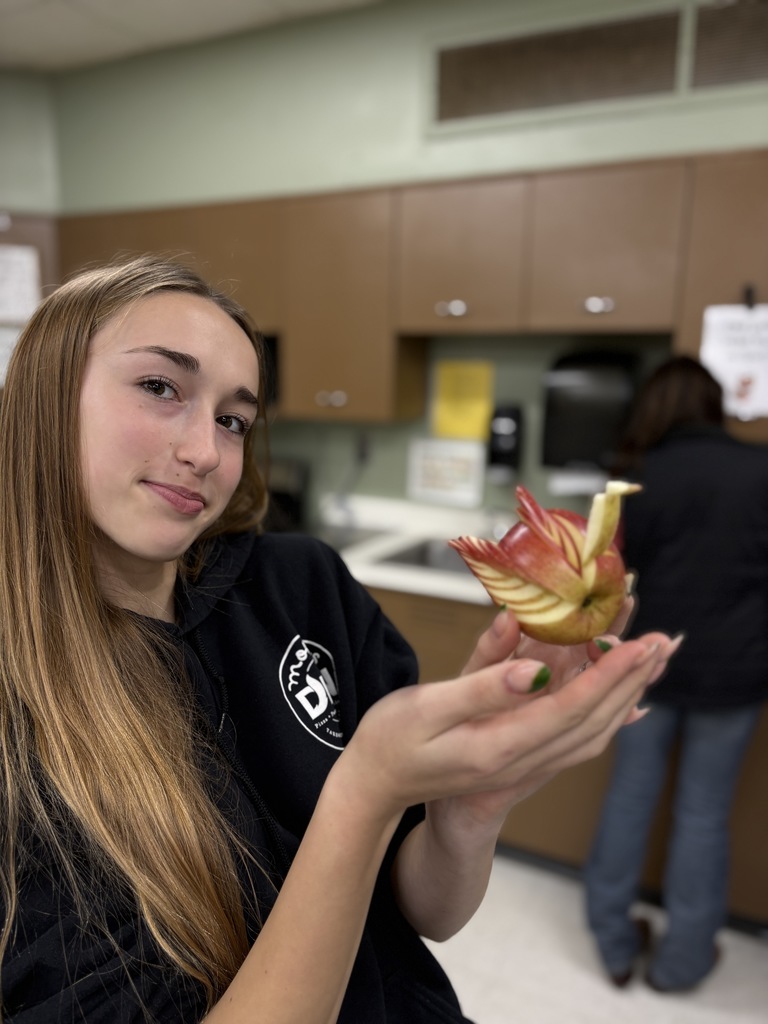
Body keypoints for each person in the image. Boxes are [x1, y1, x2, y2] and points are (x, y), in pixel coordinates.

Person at [0, 254, 678, 1024]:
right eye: (161, 388)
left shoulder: (303, 587)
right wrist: (362, 792)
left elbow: (428, 911)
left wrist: (465, 813)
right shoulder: (18, 720)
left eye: (234, 419)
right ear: (46, 396)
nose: (207, 452)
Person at [585, 355, 768, 994]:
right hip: (735, 672)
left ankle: (611, 942)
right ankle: (683, 961)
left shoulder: (638, 477)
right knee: (704, 814)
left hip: (648, 665)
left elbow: (604, 578)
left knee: (630, 796)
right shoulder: (760, 469)